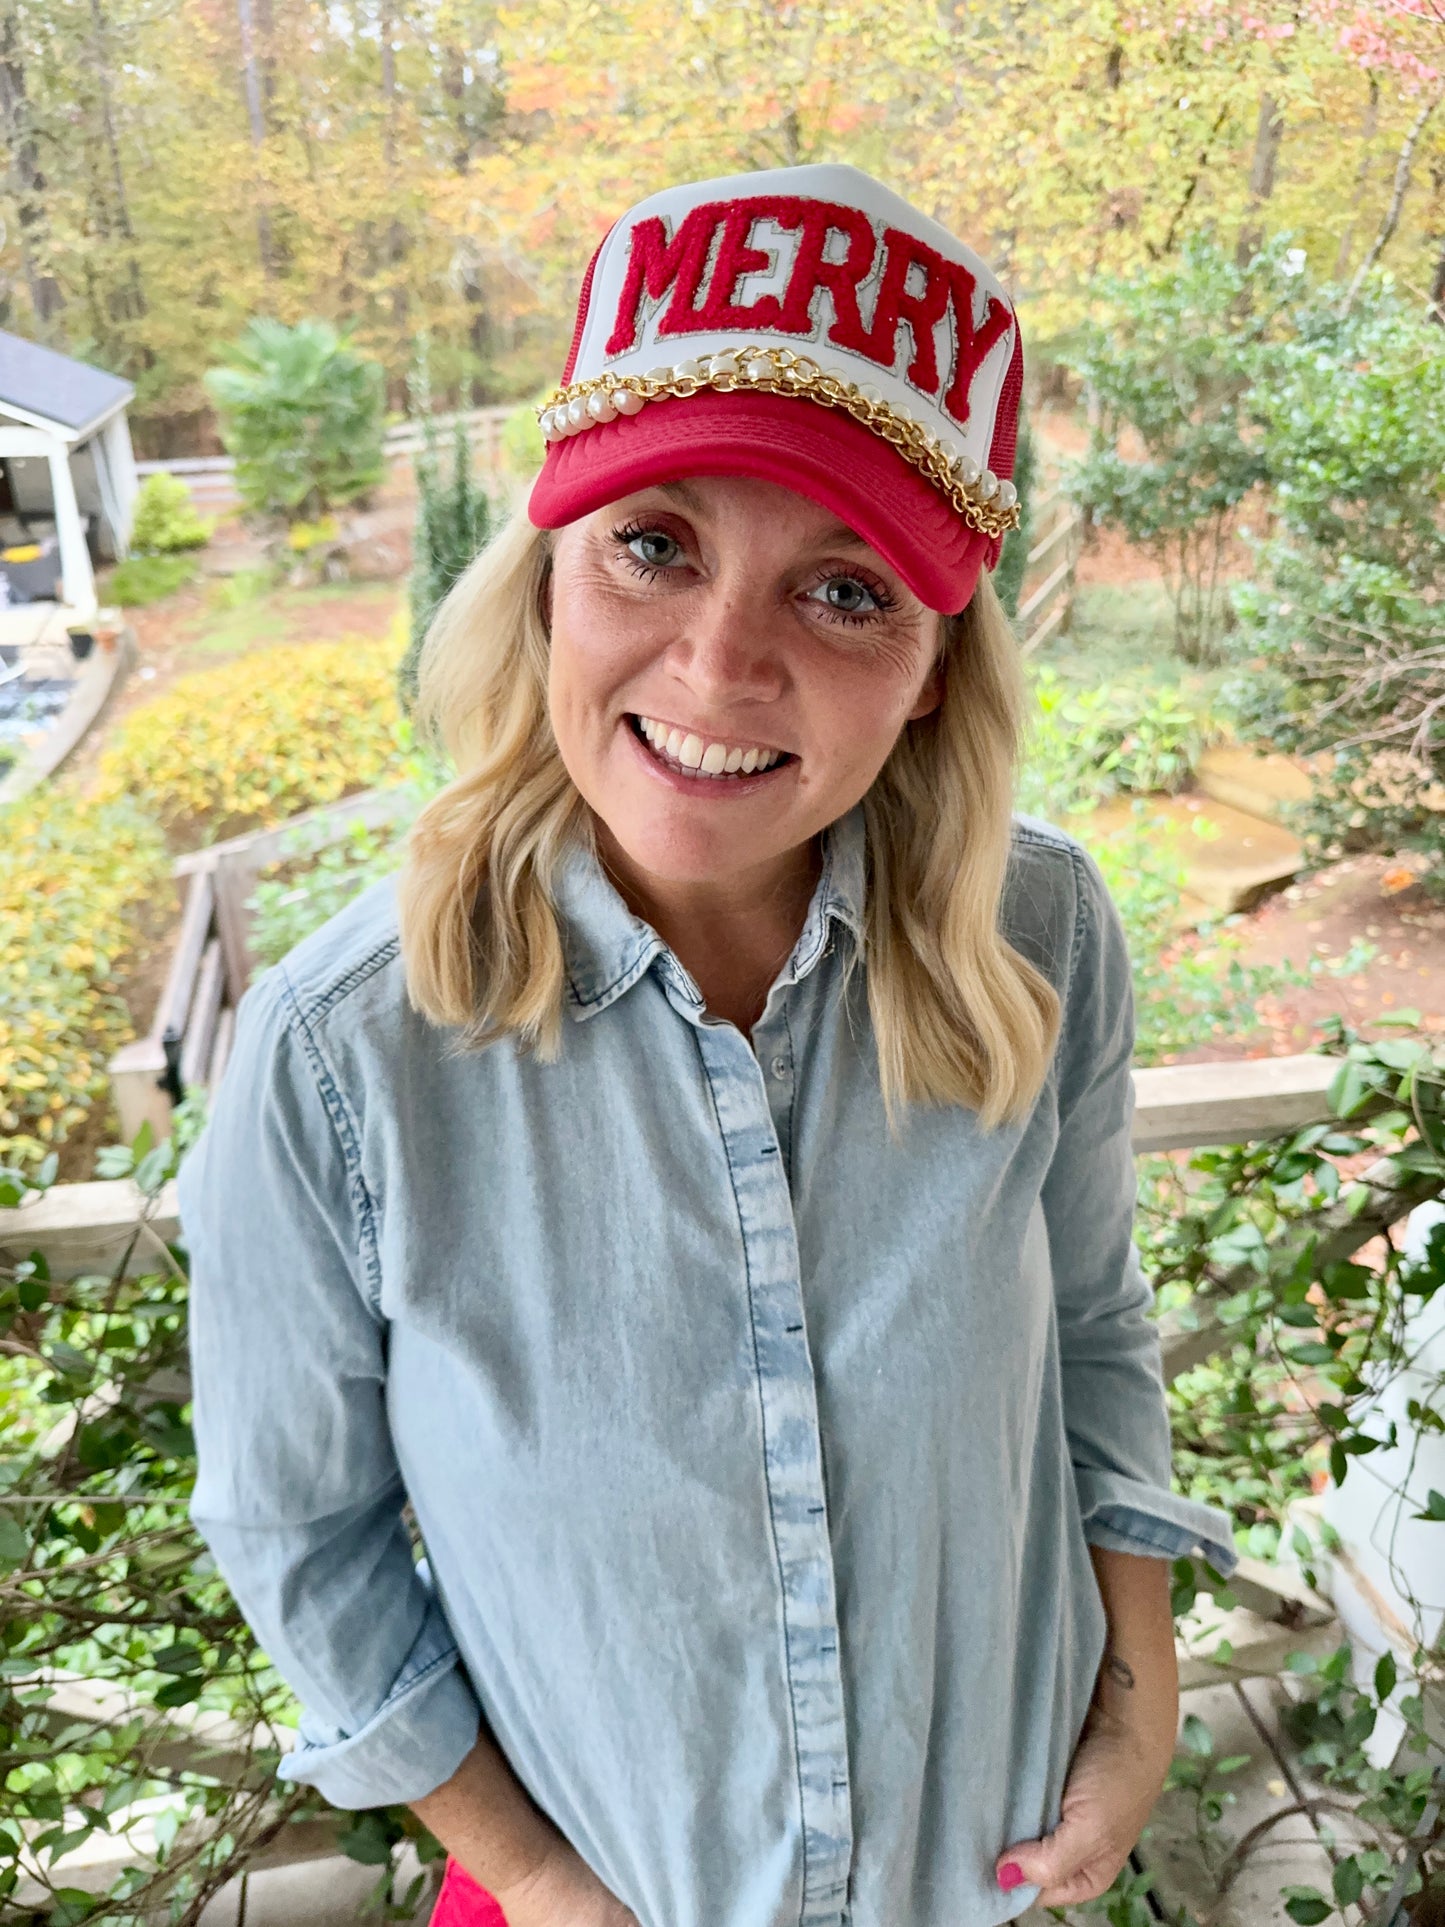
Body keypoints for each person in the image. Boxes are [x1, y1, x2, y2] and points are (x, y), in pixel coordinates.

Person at [177, 163, 1239, 1927]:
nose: (720, 664)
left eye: (843, 593)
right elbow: (300, 1538)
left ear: (931, 670)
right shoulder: (337, 1057)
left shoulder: (1035, 935)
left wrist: (1136, 1700)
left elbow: (1094, 1326)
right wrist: (537, 1884)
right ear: (539, 586)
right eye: (652, 544)